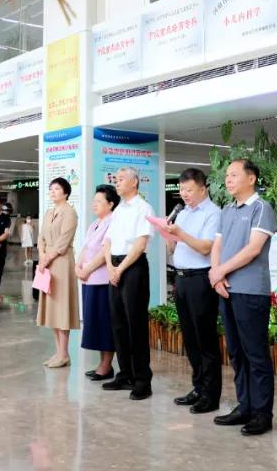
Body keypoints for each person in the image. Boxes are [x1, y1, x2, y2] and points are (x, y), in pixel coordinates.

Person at [209, 159, 277, 436]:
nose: (228, 179)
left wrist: (220, 271)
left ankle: (262, 414)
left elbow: (253, 249)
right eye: (227, 175)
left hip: (250, 291)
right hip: (226, 288)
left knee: (255, 354)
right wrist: (216, 274)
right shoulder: (226, 210)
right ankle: (244, 406)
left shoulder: (261, 208)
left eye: (234, 175)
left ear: (251, 178)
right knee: (236, 352)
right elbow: (217, 245)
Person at [167, 168, 222, 414]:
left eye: (189, 190)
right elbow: (174, 249)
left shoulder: (213, 213)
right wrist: (168, 233)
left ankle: (211, 395)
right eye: (181, 190)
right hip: (181, 279)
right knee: (190, 338)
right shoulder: (182, 214)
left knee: (205, 338)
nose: (184, 194)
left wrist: (179, 233)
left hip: (201, 279)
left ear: (202, 188)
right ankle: (198, 387)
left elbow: (205, 248)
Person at [102, 166, 155, 401]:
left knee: (136, 325)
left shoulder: (144, 208)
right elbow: (108, 241)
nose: (117, 182)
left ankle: (142, 380)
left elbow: (140, 244)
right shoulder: (119, 209)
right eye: (116, 179)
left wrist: (120, 269)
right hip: (114, 266)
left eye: (121, 179)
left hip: (133, 268)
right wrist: (110, 267)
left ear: (134, 182)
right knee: (118, 324)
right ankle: (125, 374)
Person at [36, 177, 79, 369]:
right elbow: (41, 238)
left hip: (61, 262)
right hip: (47, 262)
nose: (52, 192)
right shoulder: (48, 212)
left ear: (66, 192)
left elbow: (63, 241)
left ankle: (64, 353)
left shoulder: (70, 213)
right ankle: (60, 352)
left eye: (57, 189)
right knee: (52, 308)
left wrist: (46, 259)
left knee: (62, 308)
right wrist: (41, 256)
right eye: (51, 189)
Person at [78, 185, 118, 382]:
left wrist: (86, 269)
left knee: (104, 323)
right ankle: (102, 363)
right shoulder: (95, 223)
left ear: (110, 204)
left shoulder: (113, 222)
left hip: (102, 280)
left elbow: (104, 253)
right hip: (89, 281)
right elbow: (85, 248)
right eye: (93, 201)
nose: (94, 204)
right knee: (93, 322)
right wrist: (78, 266)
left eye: (99, 201)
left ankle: (106, 365)